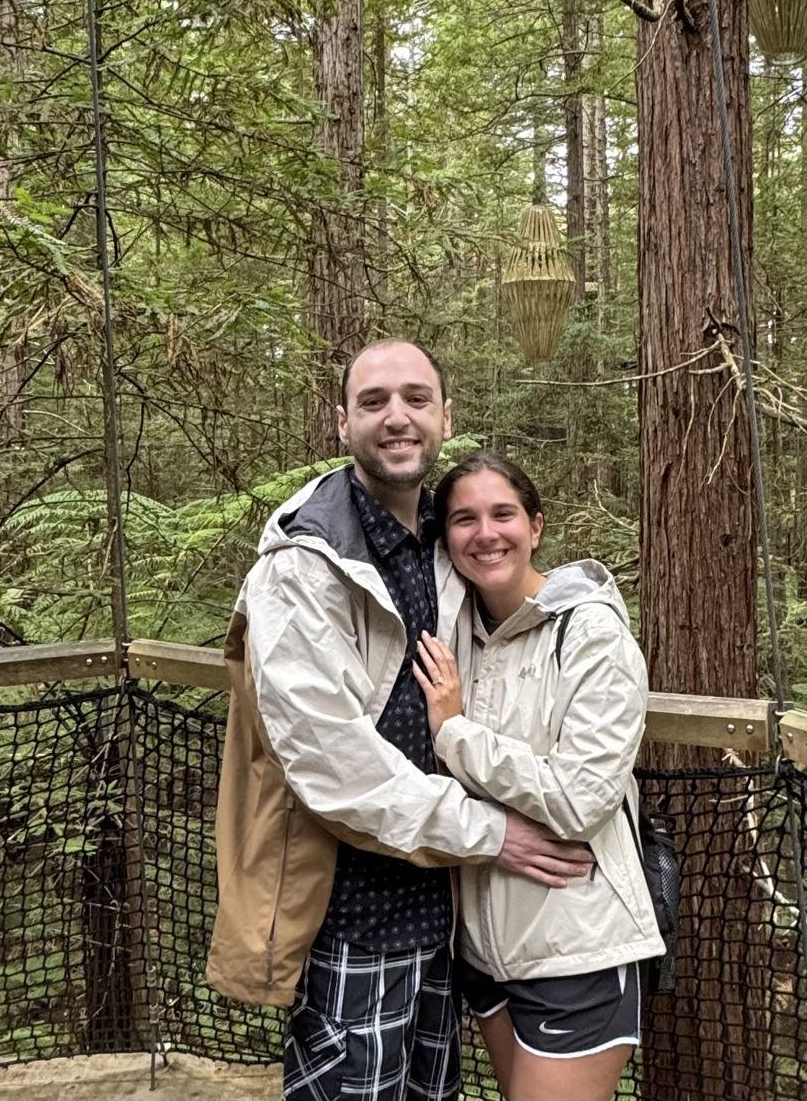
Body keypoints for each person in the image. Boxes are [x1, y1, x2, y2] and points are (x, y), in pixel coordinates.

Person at [208, 341, 594, 1101]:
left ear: (444, 416)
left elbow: (519, 609)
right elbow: (330, 761)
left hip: (444, 910)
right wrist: (494, 834)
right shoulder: (302, 566)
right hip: (350, 916)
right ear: (341, 422)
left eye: (416, 399)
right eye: (374, 401)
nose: (397, 418)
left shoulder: (442, 542)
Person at [412, 451, 664, 1101]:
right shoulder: (451, 632)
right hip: (482, 946)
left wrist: (454, 734)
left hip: (576, 946)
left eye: (503, 514)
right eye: (463, 519)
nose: (486, 533)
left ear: (536, 526)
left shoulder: (591, 636)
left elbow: (581, 801)